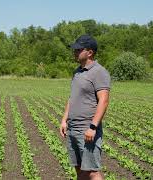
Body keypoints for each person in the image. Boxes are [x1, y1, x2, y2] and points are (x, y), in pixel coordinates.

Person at [59, 35, 110, 180]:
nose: (75, 52)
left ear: (90, 52)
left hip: (87, 129)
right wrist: (64, 120)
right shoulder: (77, 72)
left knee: (92, 171)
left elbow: (104, 100)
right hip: (73, 128)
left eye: (78, 49)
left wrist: (92, 127)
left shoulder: (99, 72)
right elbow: (72, 98)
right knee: (79, 168)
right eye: (74, 49)